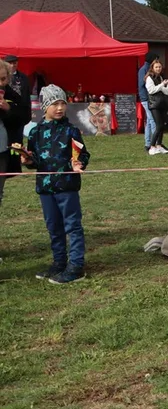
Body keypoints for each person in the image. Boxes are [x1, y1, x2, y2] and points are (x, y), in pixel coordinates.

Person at [15, 84, 90, 284]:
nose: (59, 108)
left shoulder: (71, 131)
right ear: (44, 106)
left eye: (62, 103)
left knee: (72, 226)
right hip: (45, 188)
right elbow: (36, 160)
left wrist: (78, 162)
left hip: (67, 187)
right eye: (54, 103)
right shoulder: (34, 133)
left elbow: (82, 153)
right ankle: (59, 263)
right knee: (53, 227)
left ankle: (76, 266)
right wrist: (28, 160)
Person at [0, 59, 31, 210]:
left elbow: (24, 115)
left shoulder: (10, 93)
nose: (1, 82)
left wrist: (8, 109)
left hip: (2, 151)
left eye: (4, 79)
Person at [144, 58, 168, 155]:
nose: (158, 68)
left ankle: (159, 146)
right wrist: (162, 85)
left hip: (163, 103)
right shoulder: (149, 78)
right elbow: (151, 90)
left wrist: (166, 85)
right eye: (156, 67)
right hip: (154, 104)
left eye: (160, 67)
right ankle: (152, 147)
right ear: (152, 67)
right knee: (158, 125)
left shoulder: (161, 77)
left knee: (162, 126)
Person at [137, 52, 160, 153]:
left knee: (150, 122)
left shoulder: (146, 68)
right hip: (146, 98)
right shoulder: (144, 70)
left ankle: (147, 143)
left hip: (147, 98)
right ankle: (154, 144)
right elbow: (142, 83)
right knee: (153, 121)